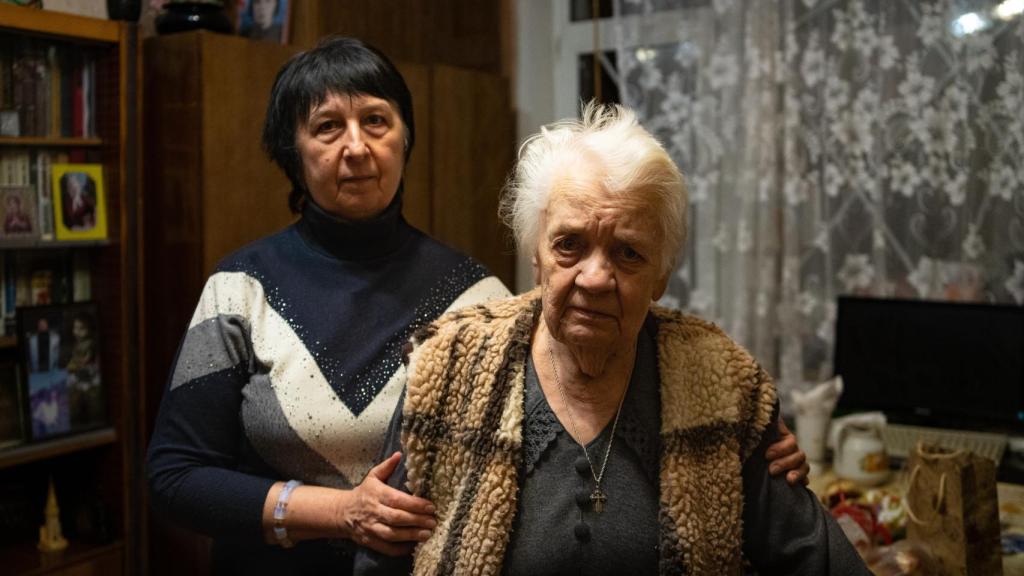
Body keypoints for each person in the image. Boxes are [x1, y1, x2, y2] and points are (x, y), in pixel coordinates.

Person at [146, 38, 808, 575]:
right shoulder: (232, 290)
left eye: (376, 120)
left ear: (405, 138)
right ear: (291, 152)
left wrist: (741, 439)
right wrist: (341, 510)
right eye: (326, 126)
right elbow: (174, 475)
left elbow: (579, 383)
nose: (356, 146)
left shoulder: (478, 298)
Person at [356, 103, 867, 575]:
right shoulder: (448, 370)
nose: (595, 277)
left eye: (628, 254)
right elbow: (380, 561)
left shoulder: (723, 387)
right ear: (535, 256)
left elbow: (818, 559)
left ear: (660, 278)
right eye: (570, 244)